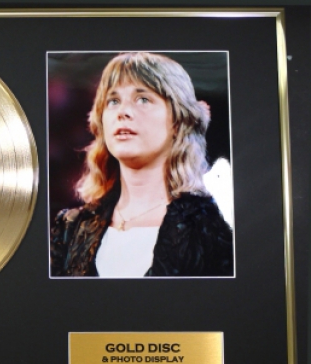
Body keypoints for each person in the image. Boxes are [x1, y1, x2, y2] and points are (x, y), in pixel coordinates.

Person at [50, 52, 234, 277]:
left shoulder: (213, 228)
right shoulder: (70, 228)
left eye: (143, 99)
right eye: (113, 101)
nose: (123, 112)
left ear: (178, 121)